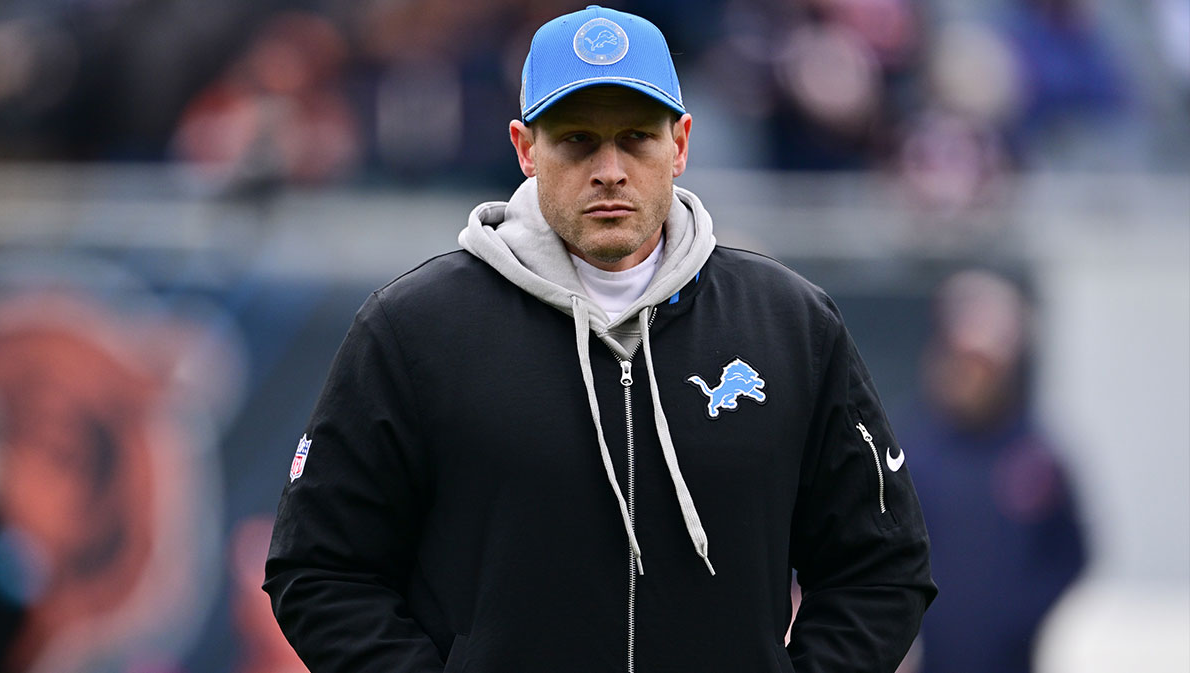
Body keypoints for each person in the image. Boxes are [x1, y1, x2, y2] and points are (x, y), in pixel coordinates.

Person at [264, 6, 936, 672]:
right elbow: (320, 568)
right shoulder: (415, 329)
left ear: (680, 143)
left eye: (637, 138)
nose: (609, 168)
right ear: (526, 148)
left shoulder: (790, 325)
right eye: (578, 140)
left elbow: (881, 566)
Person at [897, 270, 1085, 673]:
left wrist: (1018, 616)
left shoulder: (1036, 457)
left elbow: (1071, 553)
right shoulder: (911, 451)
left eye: (985, 363)